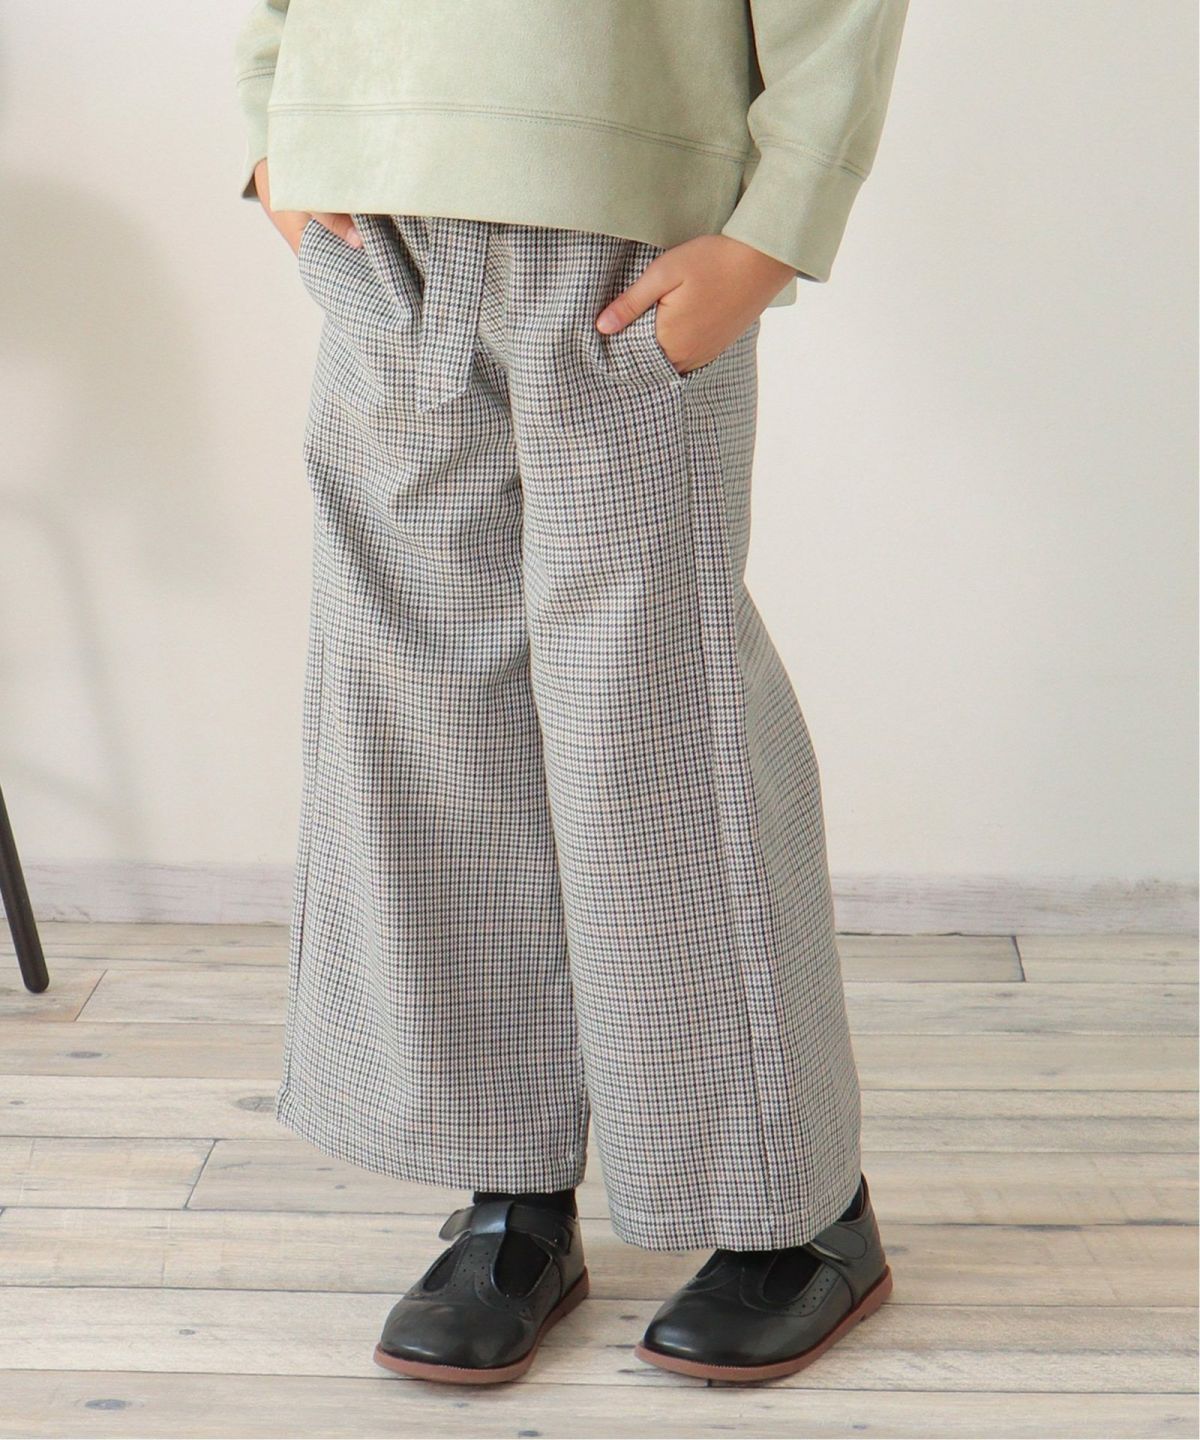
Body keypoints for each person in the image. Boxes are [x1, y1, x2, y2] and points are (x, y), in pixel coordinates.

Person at [233, 0, 909, 1387]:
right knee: (430, 730)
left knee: (658, 725)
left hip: (623, 223)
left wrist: (779, 222)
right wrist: (271, 128)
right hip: (379, 216)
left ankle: (799, 1207)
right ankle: (512, 1192)